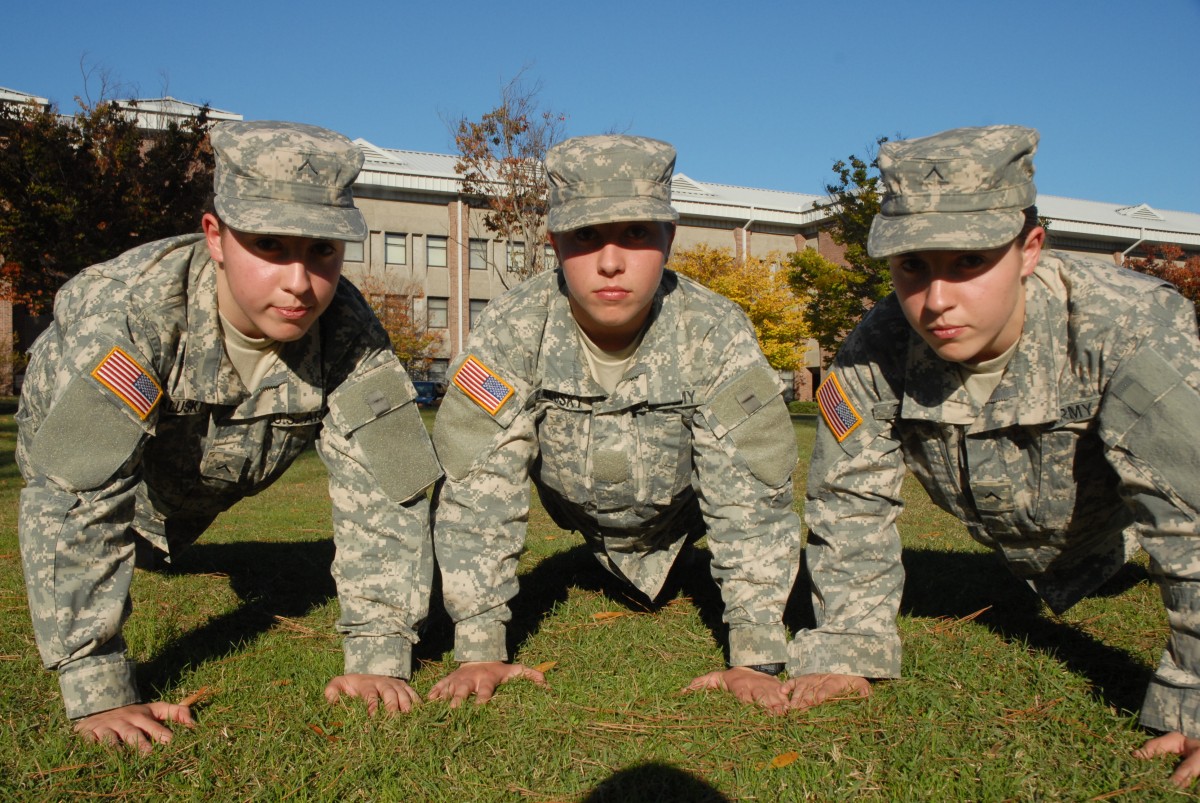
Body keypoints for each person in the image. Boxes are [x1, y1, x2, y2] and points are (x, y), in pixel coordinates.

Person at [787, 124, 1200, 786]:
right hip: (1016, 549)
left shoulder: (1125, 324)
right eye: (912, 266)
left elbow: (1190, 508)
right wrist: (844, 648)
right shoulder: (875, 351)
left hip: (1115, 534)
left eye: (969, 261)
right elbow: (849, 498)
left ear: (1029, 248)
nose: (937, 299)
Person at [16, 120, 442, 751]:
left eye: (323, 249)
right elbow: (74, 492)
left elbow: (393, 486)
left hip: (183, 509)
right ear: (215, 236)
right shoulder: (130, 313)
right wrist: (96, 687)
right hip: (99, 479)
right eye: (270, 245)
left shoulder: (351, 332)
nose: (300, 281)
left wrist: (378, 654)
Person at [427, 135, 801, 711]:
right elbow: (479, 487)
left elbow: (751, 492)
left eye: (635, 233)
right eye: (585, 236)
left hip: (680, 522)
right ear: (554, 243)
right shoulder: (512, 327)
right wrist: (480, 645)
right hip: (576, 516)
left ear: (668, 240)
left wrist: (754, 655)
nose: (610, 261)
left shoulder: (714, 330)